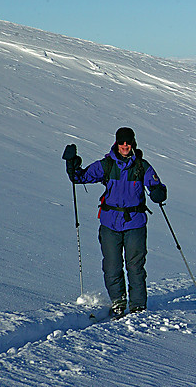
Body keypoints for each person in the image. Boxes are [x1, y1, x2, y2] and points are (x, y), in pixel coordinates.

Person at [65, 127, 167, 318]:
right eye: (122, 142)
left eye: (128, 142)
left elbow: (157, 187)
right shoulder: (106, 165)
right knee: (112, 265)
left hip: (135, 223)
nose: (125, 145)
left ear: (133, 143)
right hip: (110, 223)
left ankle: (137, 306)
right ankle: (118, 302)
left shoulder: (141, 167)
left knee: (135, 266)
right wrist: (71, 164)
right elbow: (79, 177)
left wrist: (159, 192)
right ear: (116, 143)